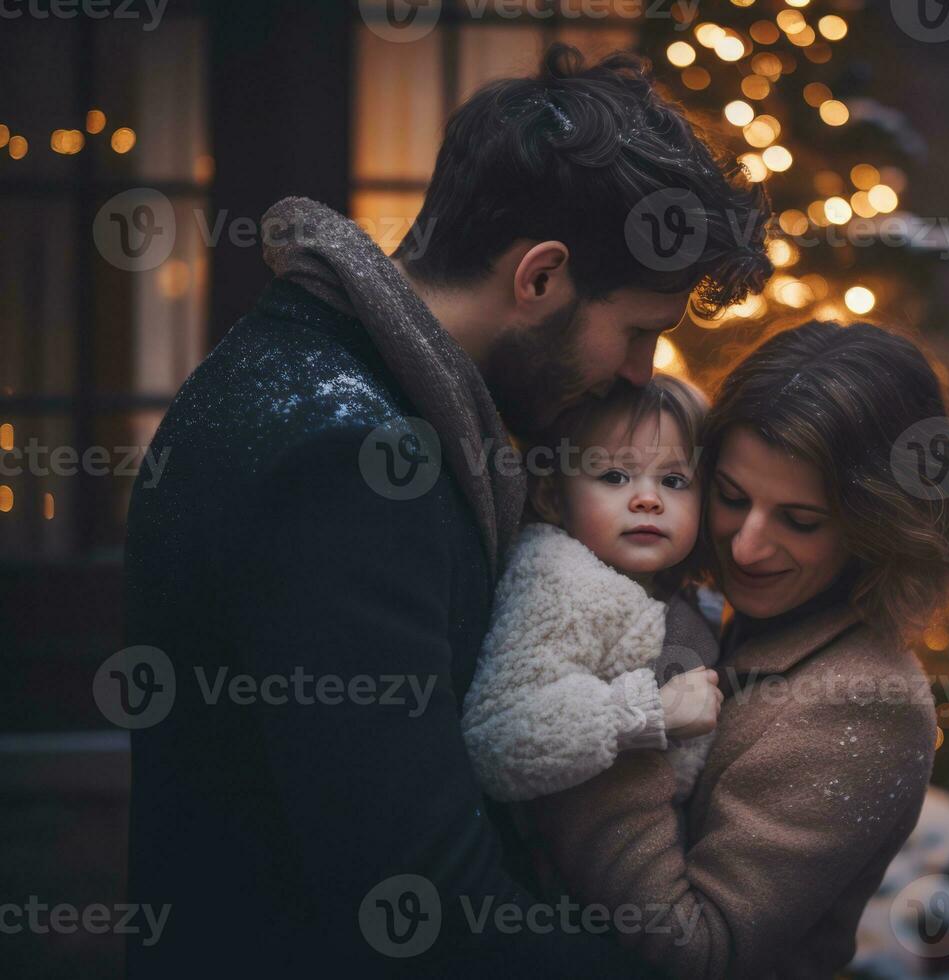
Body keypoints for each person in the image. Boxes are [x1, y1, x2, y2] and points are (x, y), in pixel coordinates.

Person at [123, 44, 771, 979]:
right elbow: (424, 898)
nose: (641, 375)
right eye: (637, 333)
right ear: (540, 276)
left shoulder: (320, 375)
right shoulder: (348, 457)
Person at [527, 320, 949, 979]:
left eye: (800, 520)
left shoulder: (863, 703)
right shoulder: (713, 609)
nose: (745, 546)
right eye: (731, 498)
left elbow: (700, 949)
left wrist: (607, 725)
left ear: (877, 524)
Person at [461, 376, 723, 808]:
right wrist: (648, 711)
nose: (647, 499)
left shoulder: (687, 596)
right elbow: (496, 737)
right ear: (550, 496)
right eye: (615, 475)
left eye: (674, 481)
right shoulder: (560, 584)